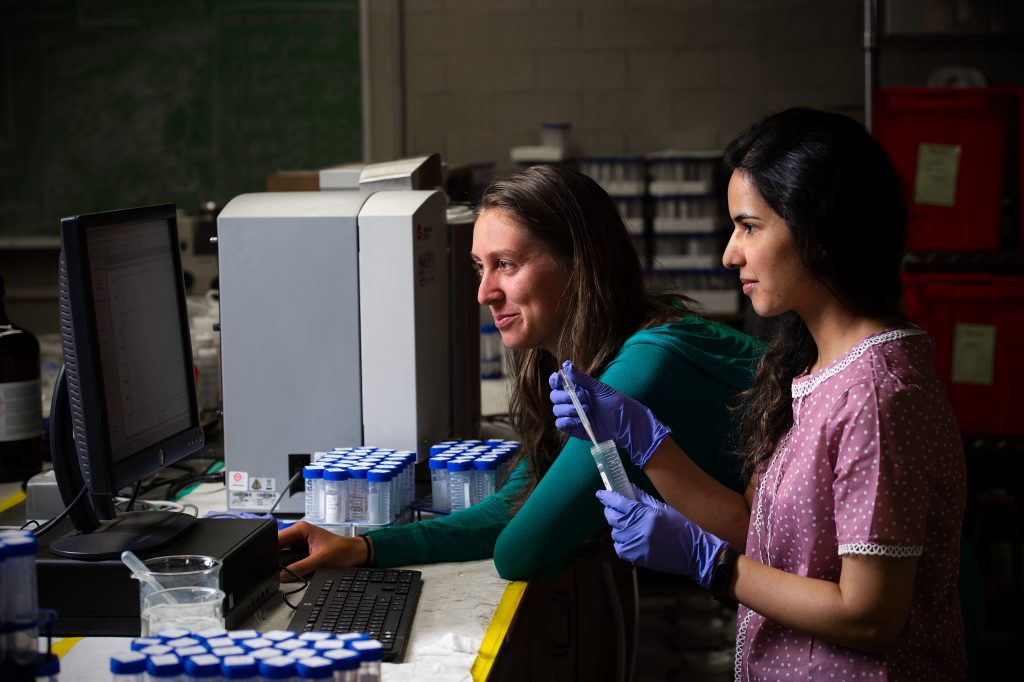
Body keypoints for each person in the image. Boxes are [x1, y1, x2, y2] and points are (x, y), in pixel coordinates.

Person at [551, 107, 966, 679]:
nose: (729, 253)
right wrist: (643, 441)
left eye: (749, 227)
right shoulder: (812, 367)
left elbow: (871, 617)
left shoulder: (876, 395)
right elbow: (758, 531)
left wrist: (713, 566)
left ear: (817, 228)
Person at [278, 164, 762, 581]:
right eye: (479, 268)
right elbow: (513, 506)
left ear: (581, 263)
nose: (484, 292)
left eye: (505, 264)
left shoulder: (643, 366)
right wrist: (366, 547)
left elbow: (521, 552)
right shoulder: (581, 359)